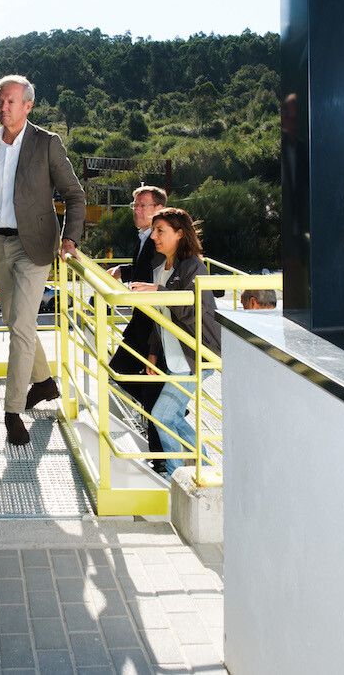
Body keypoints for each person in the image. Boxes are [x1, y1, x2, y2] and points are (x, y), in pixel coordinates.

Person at [0, 75, 86, 445]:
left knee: (20, 327)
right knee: (13, 320)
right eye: (0, 101)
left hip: (34, 246)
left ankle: (12, 410)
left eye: (11, 101)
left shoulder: (47, 143)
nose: (4, 107)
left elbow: (75, 195)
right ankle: (45, 382)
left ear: (28, 105)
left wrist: (70, 238)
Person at [128, 208, 221, 476]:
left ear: (180, 234)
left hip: (196, 356)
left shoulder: (194, 267)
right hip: (173, 356)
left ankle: (175, 473)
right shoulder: (160, 267)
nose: (155, 236)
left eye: (161, 231)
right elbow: (162, 319)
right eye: (154, 231)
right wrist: (154, 354)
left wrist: (160, 292)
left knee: (162, 416)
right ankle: (203, 467)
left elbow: (193, 313)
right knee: (170, 416)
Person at [108, 185, 169, 450]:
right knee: (121, 370)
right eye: (135, 205)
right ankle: (165, 410)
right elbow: (145, 270)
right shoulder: (145, 237)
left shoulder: (161, 240)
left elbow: (161, 276)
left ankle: (161, 459)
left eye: (143, 205)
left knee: (150, 388)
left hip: (154, 327)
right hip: (141, 323)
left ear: (159, 209)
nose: (137, 210)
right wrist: (124, 269)